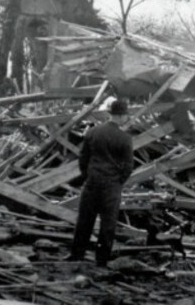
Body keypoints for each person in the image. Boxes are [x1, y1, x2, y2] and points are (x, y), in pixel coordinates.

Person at [69, 99, 134, 267]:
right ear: (122, 116)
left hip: (92, 181)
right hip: (111, 186)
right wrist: (118, 181)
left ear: (110, 114)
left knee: (84, 220)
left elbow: (83, 159)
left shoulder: (92, 132)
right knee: (108, 223)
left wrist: (87, 175)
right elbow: (128, 166)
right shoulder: (125, 138)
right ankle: (102, 259)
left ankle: (77, 254)